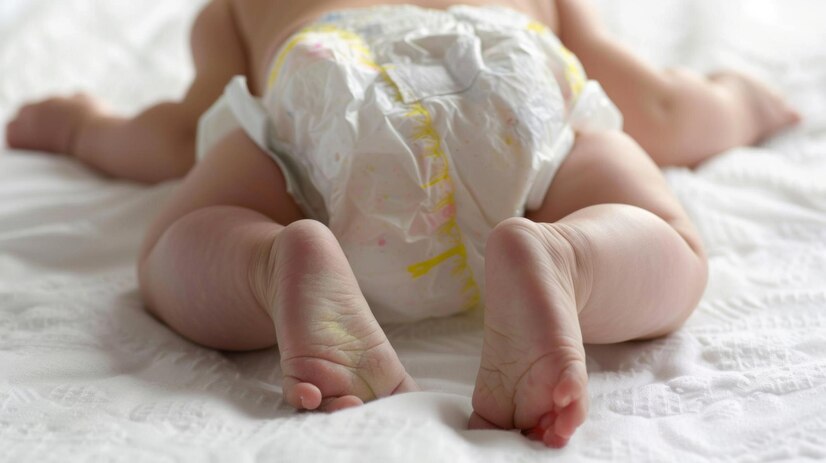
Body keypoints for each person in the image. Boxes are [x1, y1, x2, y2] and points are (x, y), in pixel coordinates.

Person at [4, 0, 799, 449]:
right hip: (508, 69)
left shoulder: (237, 9)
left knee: (184, 237)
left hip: (331, 72)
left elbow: (177, 137)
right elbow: (660, 108)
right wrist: (743, 101)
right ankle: (571, 257)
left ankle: (272, 264)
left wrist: (82, 128)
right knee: (658, 229)